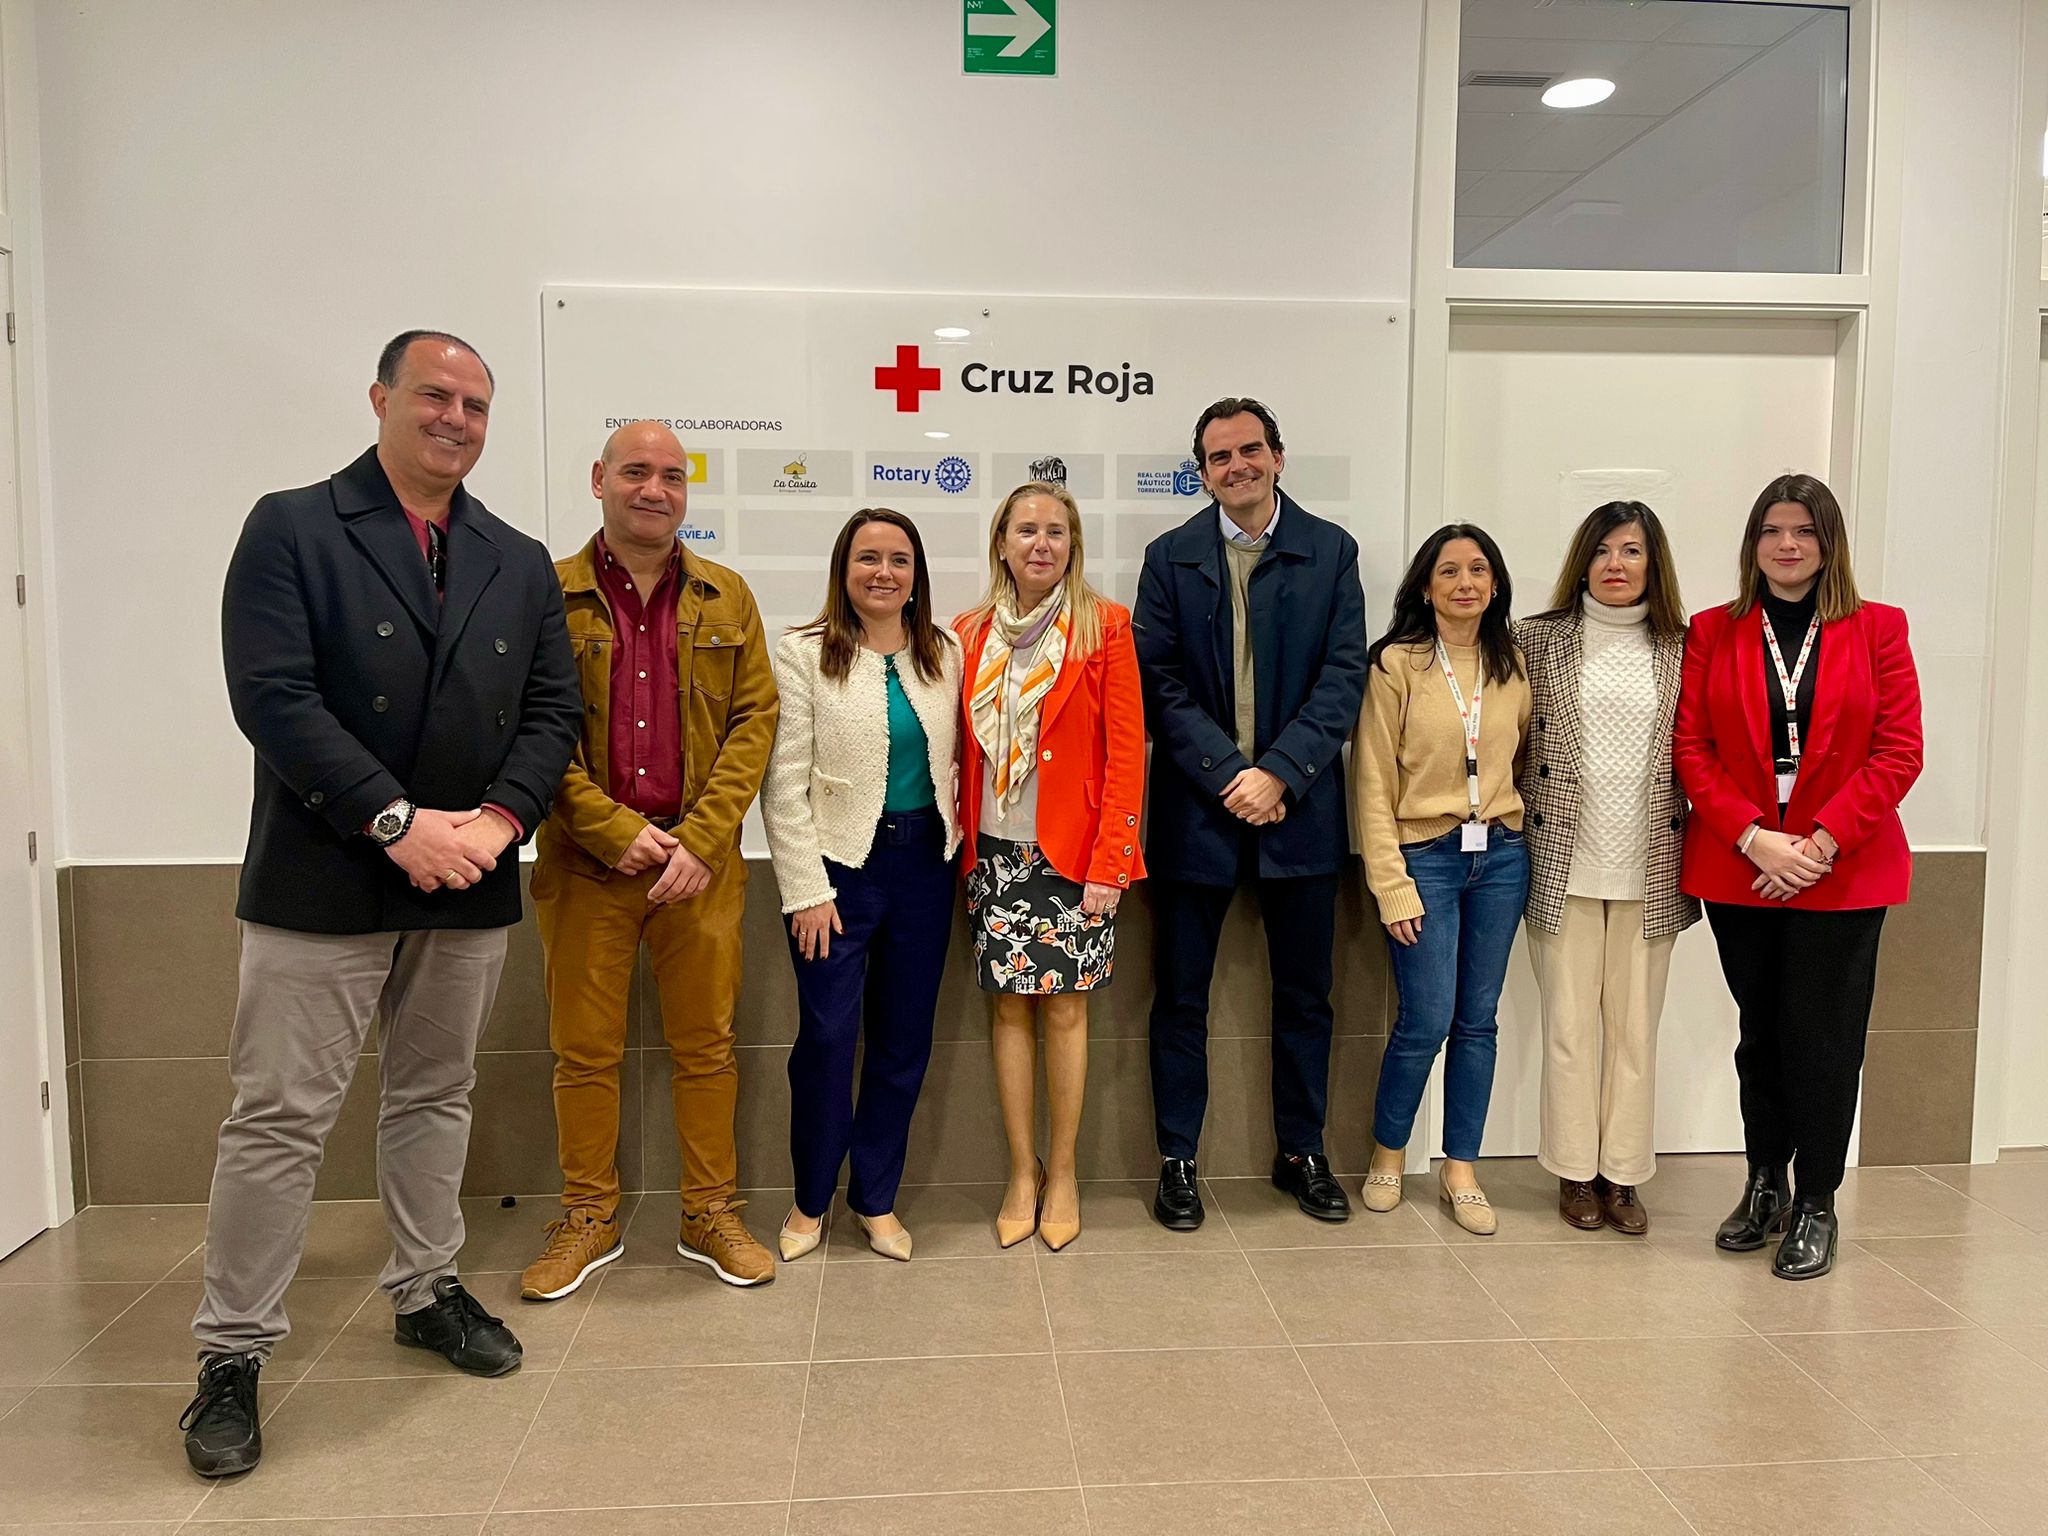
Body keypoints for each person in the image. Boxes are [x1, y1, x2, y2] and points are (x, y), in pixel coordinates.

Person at [188, 330, 581, 1476]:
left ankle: (424, 1290)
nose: (455, 418)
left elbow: (552, 713)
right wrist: (399, 824)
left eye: (475, 404)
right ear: (381, 398)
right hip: (326, 874)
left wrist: (496, 826)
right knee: (278, 1120)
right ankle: (231, 1353)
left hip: (468, 877)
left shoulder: (515, 558)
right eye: (434, 395)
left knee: (435, 1095)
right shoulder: (294, 526)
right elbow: (273, 695)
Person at [517, 421, 779, 1300]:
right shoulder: (546, 595)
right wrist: (609, 829)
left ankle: (709, 1212)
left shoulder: (727, 596)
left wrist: (701, 839)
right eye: (636, 471)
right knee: (582, 1055)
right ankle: (588, 1216)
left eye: (671, 475)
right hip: (585, 866)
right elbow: (530, 729)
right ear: (599, 480)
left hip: (698, 869)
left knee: (707, 1049)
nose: (654, 489)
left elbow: (755, 722)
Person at [1675, 473, 1922, 1280]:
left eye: (1805, 531)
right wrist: (1756, 839)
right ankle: (1764, 1184)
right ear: (1754, 544)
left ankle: (1817, 1201)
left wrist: (1818, 843)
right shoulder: (1713, 630)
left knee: (1824, 1041)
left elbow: (1899, 751)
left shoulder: (1879, 628)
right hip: (1742, 867)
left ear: (1829, 543)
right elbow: (1692, 749)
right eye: (1773, 531)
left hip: (1842, 870)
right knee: (1763, 1035)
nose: (1788, 545)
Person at [1133, 397, 1367, 1232]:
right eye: (1220, 456)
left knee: (1306, 998)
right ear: (1202, 472)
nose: (1237, 466)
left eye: (1250, 450)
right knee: (1179, 999)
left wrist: (1280, 773)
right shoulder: (1169, 558)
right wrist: (1231, 773)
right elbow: (1157, 682)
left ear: (1278, 456)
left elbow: (1344, 676)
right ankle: (1177, 1160)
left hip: (1298, 813)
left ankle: (1301, 1152)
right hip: (1198, 814)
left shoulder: (1331, 551)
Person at [760, 509, 962, 1262]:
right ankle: (810, 1199)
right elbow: (783, 784)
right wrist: (805, 890)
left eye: (899, 559)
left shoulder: (945, 651)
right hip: (838, 872)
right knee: (827, 1039)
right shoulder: (804, 653)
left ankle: (876, 1198)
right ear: (843, 570)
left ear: (917, 575)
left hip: (925, 869)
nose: (884, 572)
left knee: (902, 1041)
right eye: (868, 557)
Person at [956, 480, 1145, 1251]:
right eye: (1026, 530)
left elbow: (1127, 754)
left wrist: (1112, 862)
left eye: (1056, 532)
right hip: (995, 854)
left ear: (1073, 546)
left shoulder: (1107, 626)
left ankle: (1062, 1173)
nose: (1041, 543)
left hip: (1074, 858)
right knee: (1008, 1010)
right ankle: (1020, 1173)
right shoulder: (968, 632)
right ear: (1001, 543)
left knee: (1066, 1011)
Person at [1517, 502, 1698, 1236]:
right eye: (1602, 551)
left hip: (1652, 866)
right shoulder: (1535, 639)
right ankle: (1573, 1171)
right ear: (1582, 561)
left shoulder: (1687, 645)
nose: (1615, 565)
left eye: (1631, 551)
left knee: (1634, 1032)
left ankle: (1622, 1175)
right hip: (1559, 862)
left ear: (1655, 564)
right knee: (1568, 1028)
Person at [1355, 524, 1531, 1235]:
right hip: (1424, 857)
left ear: (1495, 584)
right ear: (1425, 588)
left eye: (1478, 569)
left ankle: (1462, 1168)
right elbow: (1371, 781)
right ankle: (1388, 1153)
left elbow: (1522, 761)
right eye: (1449, 571)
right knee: (1425, 1019)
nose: (1465, 583)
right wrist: (1389, 882)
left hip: (1502, 858)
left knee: (1477, 1021)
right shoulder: (1397, 664)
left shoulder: (1513, 663)